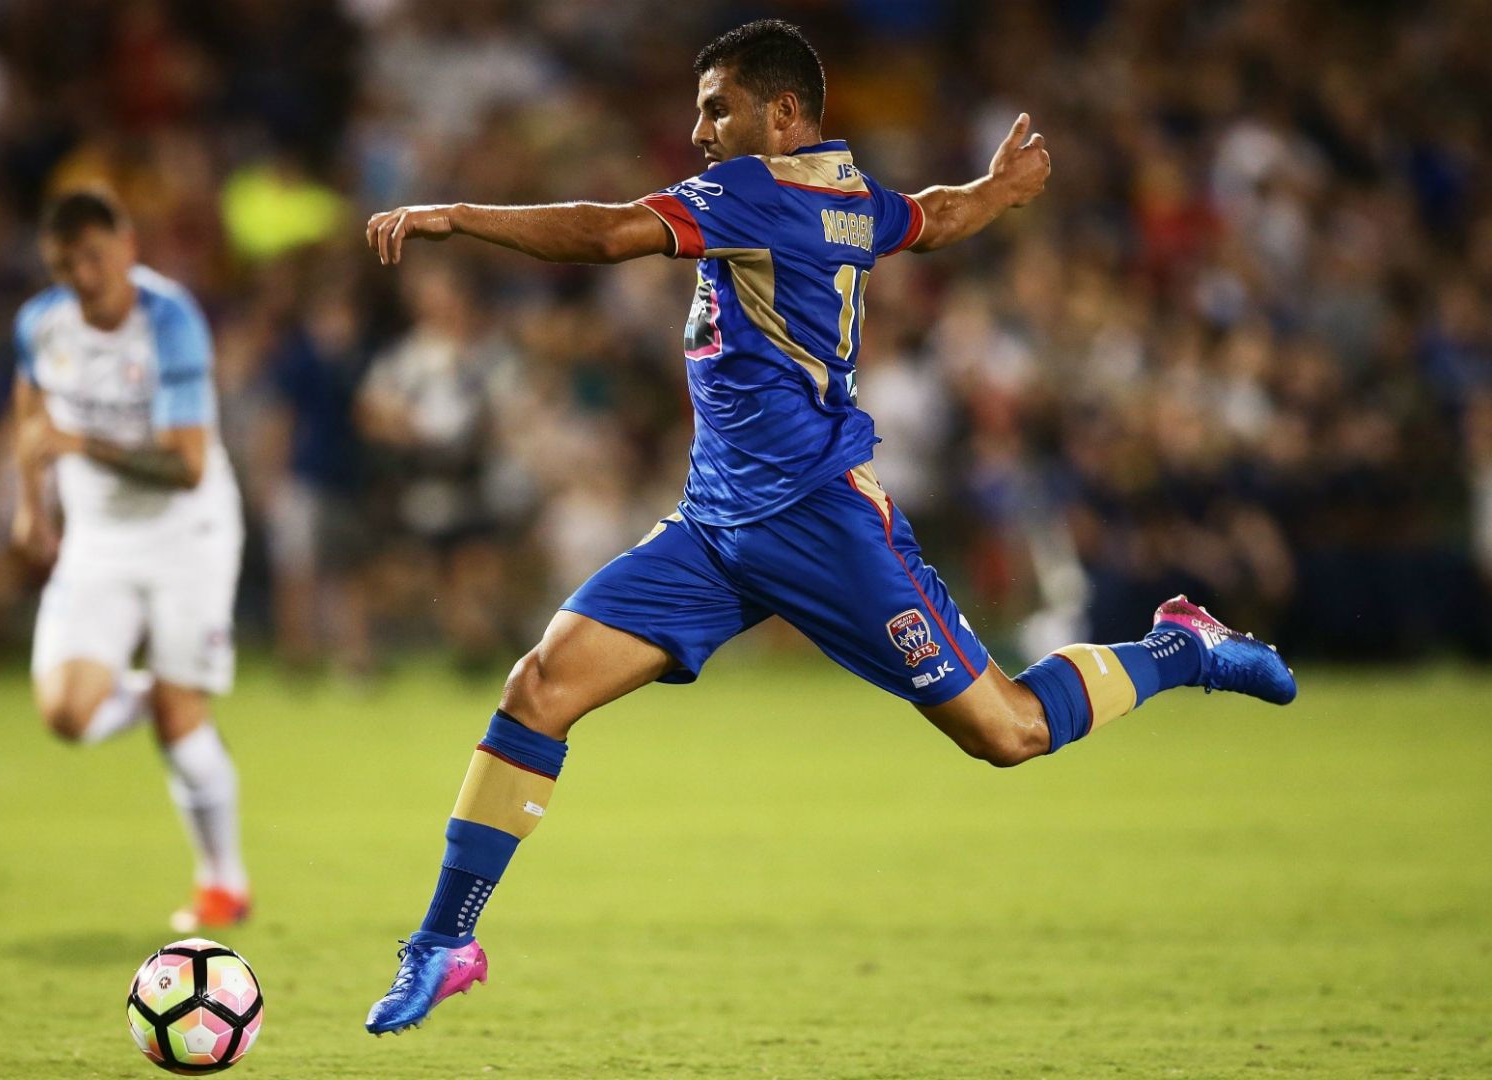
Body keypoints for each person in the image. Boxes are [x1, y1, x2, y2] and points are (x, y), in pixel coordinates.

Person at [359, 19, 1296, 1035]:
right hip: (714, 528)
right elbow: (931, 218)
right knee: (539, 687)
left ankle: (1181, 647)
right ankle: (444, 943)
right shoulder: (847, 197)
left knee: (1012, 732)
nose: (699, 129)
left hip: (824, 523)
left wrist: (456, 215)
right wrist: (996, 191)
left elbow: (608, 233)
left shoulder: (753, 192)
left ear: (783, 113)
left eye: (717, 107)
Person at [11, 188, 250, 931]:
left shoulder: (170, 321)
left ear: (127, 247)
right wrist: (31, 504)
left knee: (181, 724)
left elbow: (188, 465)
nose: (83, 277)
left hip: (188, 534)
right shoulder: (40, 324)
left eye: (94, 257)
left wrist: (82, 445)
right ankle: (162, 694)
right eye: (65, 264)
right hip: (97, 539)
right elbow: (30, 414)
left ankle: (223, 882)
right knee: (67, 715)